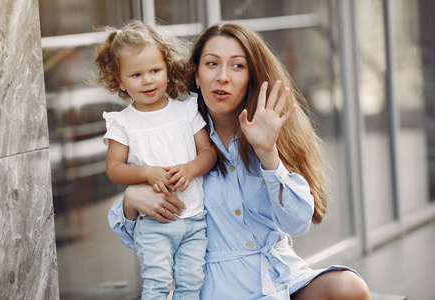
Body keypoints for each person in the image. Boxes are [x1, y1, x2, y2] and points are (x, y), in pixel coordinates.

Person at [108, 22, 370, 300]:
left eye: (237, 66)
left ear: (252, 77)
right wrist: (131, 200)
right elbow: (139, 240)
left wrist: (268, 153)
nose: (222, 77)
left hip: (278, 279)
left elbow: (297, 224)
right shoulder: (176, 134)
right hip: (219, 287)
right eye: (211, 64)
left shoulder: (270, 132)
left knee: (349, 288)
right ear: (196, 75)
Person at [95, 20, 217, 299]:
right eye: (136, 75)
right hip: (154, 225)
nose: (148, 80)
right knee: (157, 285)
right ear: (119, 78)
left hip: (195, 220)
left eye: (155, 70)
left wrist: (190, 168)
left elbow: (208, 153)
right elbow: (114, 170)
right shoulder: (123, 123)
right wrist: (147, 173)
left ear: (167, 67)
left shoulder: (186, 112)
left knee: (191, 283)